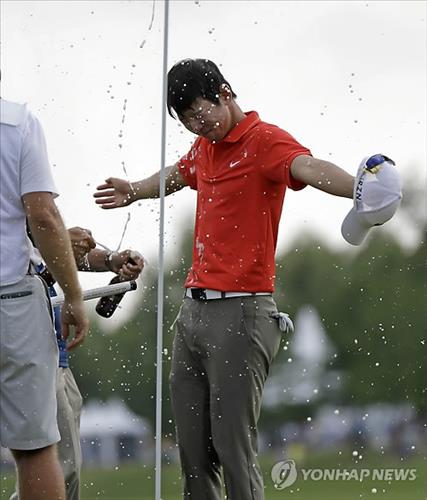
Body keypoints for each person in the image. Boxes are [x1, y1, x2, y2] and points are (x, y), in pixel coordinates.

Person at [93, 59, 356, 500]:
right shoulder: (204, 148)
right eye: (188, 122)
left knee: (233, 451)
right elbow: (178, 174)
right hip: (193, 313)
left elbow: (308, 167)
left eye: (202, 114)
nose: (199, 127)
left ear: (225, 93)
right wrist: (134, 190)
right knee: (194, 456)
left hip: (242, 312)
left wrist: (360, 190)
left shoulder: (264, 140)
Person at [9, 226, 145, 500]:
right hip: (31, 348)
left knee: (65, 470)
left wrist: (112, 260)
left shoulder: (27, 210)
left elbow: (47, 251)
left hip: (54, 351)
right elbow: (19, 278)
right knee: (56, 472)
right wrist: (63, 253)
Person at [0, 98, 89, 500]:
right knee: (34, 449)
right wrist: (73, 295)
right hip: (12, 299)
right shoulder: (17, 122)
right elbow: (43, 216)